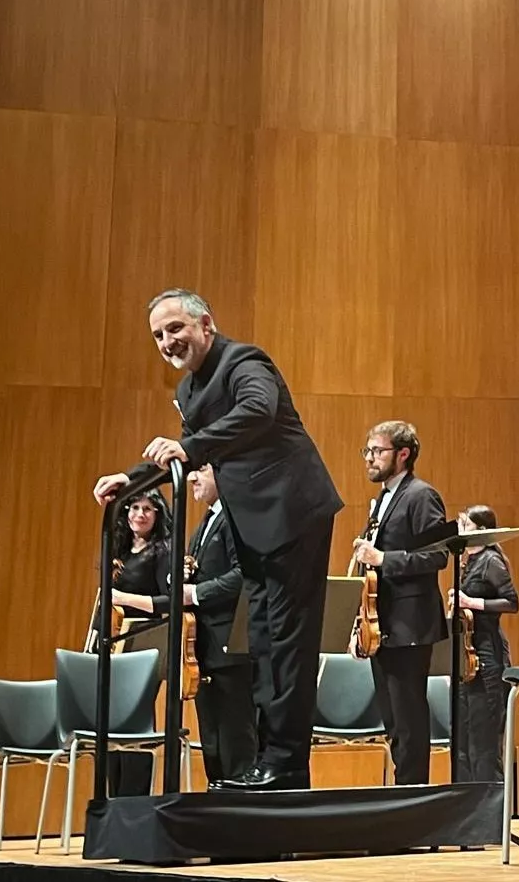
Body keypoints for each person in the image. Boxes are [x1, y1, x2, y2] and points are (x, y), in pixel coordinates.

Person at [93, 288, 342, 791]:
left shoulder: (243, 361)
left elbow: (258, 411)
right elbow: (187, 455)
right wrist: (134, 479)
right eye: (158, 335)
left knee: (289, 645)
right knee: (268, 646)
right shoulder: (188, 391)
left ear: (205, 323)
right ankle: (274, 763)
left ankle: (287, 765)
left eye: (175, 328)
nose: (167, 341)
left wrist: (186, 446)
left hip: (294, 514)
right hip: (256, 527)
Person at [350, 420, 449, 785]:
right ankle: (402, 796)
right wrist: (359, 624)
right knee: (392, 719)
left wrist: (383, 559)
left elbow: (437, 556)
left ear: (403, 454)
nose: (370, 459)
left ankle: (412, 798)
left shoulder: (421, 495)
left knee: (407, 719)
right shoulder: (384, 498)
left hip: (409, 623)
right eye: (368, 452)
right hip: (382, 624)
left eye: (378, 451)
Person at [178, 465, 260, 785]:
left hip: (230, 648)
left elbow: (245, 574)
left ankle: (240, 818)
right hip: (204, 649)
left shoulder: (234, 516)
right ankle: (219, 814)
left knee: (235, 739)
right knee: (211, 740)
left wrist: (195, 591)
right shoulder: (207, 521)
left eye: (201, 470)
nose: (192, 478)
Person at [97, 489, 172, 796]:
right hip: (114, 640)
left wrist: (125, 598)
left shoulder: (163, 550)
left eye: (148, 509)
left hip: (144, 641)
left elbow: (170, 600)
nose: (140, 514)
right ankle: (114, 798)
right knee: (113, 722)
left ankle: (135, 799)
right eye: (135, 507)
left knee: (136, 720)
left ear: (157, 515)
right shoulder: (120, 549)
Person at [449, 504, 519, 783]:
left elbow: (512, 603)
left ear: (481, 531)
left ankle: (491, 816)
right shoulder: (468, 562)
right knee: (464, 740)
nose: (460, 532)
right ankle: (466, 811)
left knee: (484, 742)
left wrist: (470, 602)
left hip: (488, 658)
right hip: (469, 657)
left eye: (465, 526)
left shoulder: (491, 560)